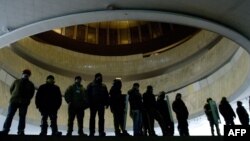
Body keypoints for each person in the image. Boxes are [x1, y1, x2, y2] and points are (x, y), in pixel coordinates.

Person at [0, 69, 35, 135]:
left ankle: (21, 130)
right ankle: (5, 129)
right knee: (10, 115)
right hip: (14, 101)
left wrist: (26, 100)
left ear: (29, 75)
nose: (26, 74)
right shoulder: (16, 81)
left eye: (27, 73)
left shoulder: (31, 84)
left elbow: (31, 94)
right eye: (25, 73)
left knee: (22, 116)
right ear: (22, 74)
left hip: (24, 103)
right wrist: (14, 96)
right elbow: (11, 89)